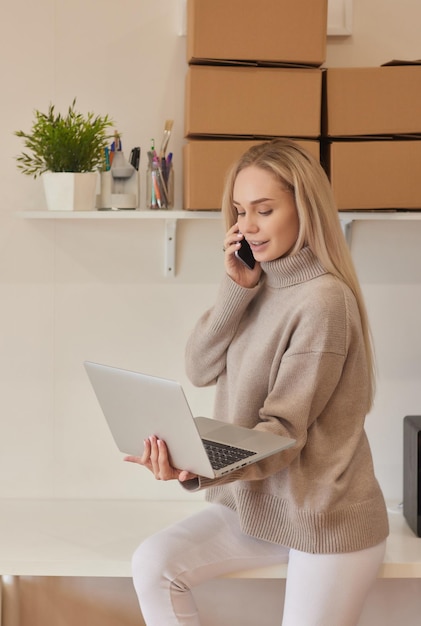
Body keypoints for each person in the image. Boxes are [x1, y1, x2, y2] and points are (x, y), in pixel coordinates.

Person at [125, 138, 389, 626]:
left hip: (322, 517)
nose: (247, 226)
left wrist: (202, 466)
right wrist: (237, 289)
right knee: (152, 565)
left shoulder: (324, 301)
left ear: (304, 209)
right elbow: (200, 367)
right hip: (257, 507)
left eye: (264, 210)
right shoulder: (256, 282)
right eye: (240, 211)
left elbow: (283, 433)